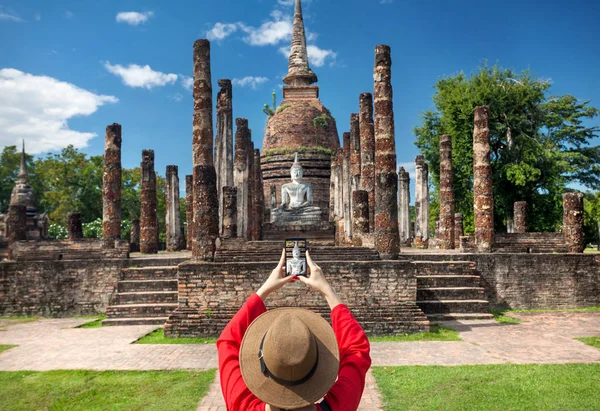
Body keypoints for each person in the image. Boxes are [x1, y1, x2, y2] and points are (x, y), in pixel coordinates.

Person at [217, 249, 371, 411]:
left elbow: (228, 342)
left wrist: (264, 290)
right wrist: (327, 291)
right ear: (317, 364)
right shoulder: (338, 407)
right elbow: (357, 352)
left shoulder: (241, 405)